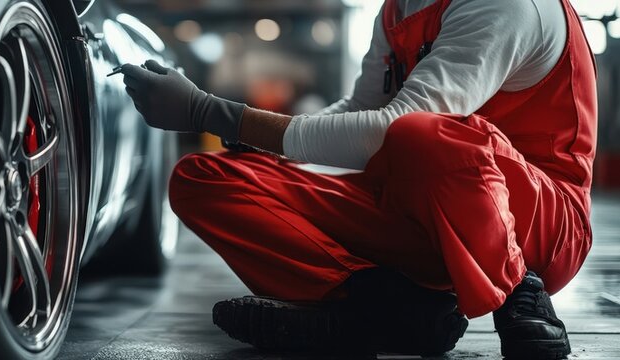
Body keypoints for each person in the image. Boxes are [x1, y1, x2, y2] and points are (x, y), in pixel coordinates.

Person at [120, 0, 596, 358]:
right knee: (202, 177)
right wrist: (261, 143)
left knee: (422, 134)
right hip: (414, 208)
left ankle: (520, 294)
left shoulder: (505, 4)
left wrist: (211, 113)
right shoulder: (398, 9)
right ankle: (383, 304)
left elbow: (391, 128)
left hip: (536, 223)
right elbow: (360, 110)